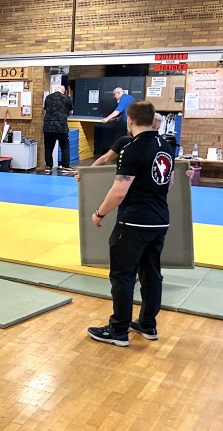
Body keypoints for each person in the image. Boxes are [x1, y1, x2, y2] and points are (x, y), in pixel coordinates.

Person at [87, 101, 174, 347]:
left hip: (134, 221)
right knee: (151, 274)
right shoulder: (166, 146)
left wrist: (99, 213)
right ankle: (147, 324)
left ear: (130, 120)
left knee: (122, 275)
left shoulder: (133, 148)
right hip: (159, 220)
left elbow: (119, 191)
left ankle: (118, 329)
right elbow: (169, 183)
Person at [42, 85, 74, 175]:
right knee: (64, 146)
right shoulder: (67, 98)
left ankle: (48, 166)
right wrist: (64, 115)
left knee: (48, 147)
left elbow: (46, 109)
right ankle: (65, 166)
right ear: (63, 91)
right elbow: (71, 112)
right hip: (61, 126)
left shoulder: (48, 97)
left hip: (48, 126)